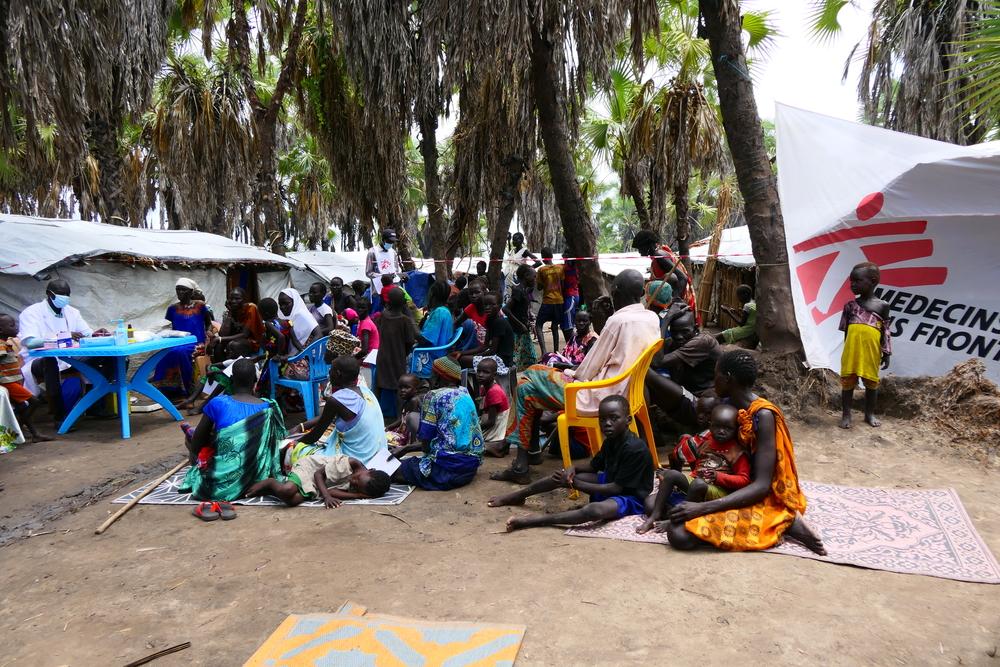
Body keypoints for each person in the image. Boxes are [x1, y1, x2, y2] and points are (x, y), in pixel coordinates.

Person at [492, 269, 660, 484]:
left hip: (598, 395)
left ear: (616, 291)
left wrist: (567, 371)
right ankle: (527, 458)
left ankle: (522, 463)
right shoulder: (650, 317)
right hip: (626, 394)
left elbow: (587, 369)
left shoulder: (619, 321)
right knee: (530, 382)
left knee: (527, 381)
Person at [657, 350, 826, 554]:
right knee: (656, 507)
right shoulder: (726, 406)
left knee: (679, 536)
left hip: (756, 493)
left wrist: (702, 508)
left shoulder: (763, 416)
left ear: (727, 379)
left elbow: (762, 485)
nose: (713, 380)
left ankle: (787, 521)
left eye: (716, 375)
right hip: (725, 483)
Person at [488, 395, 655, 532]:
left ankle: (537, 520)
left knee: (594, 510)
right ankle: (518, 496)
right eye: (603, 419)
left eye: (614, 418)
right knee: (560, 475)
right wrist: (572, 469)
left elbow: (616, 489)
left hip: (631, 497)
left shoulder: (635, 449)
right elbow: (593, 466)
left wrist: (575, 483)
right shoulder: (611, 440)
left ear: (628, 420)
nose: (607, 423)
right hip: (611, 481)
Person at [178, 359, 285, 503]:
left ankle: (197, 467)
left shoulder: (218, 402)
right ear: (255, 380)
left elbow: (197, 443)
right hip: (253, 477)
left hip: (217, 481)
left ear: (232, 379)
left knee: (191, 438)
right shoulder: (268, 407)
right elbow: (278, 441)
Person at [637, 403, 748, 534]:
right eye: (717, 426)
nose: (721, 431)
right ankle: (653, 517)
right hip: (696, 487)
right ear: (710, 424)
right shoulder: (707, 441)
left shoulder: (737, 451)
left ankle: (676, 520)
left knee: (697, 484)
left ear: (736, 429)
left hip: (717, 492)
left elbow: (744, 480)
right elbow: (696, 466)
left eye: (728, 428)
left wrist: (719, 477)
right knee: (666, 481)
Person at [18, 279, 110, 426]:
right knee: (50, 362)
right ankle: (60, 416)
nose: (65, 297)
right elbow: (30, 342)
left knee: (108, 358)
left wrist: (96, 334)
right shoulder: (31, 313)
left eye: (68, 294)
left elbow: (86, 333)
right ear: (49, 294)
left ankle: (95, 405)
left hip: (69, 357)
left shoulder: (72, 312)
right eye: (61, 294)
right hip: (38, 359)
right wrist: (63, 336)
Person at [391, 357, 484, 490]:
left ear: (439, 376)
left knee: (394, 469)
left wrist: (407, 449)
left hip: (447, 469)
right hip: (470, 467)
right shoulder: (465, 393)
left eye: (433, 373)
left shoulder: (433, 396)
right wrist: (407, 448)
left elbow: (426, 445)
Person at [291, 356, 388, 465]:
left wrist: (294, 442)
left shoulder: (336, 400)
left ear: (338, 373)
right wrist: (301, 426)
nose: (329, 373)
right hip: (379, 456)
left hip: (359, 461)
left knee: (294, 451)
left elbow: (314, 436)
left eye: (330, 370)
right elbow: (327, 417)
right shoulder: (366, 391)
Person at [839, 262, 891, 429]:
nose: (852, 284)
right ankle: (846, 414)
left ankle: (869, 414)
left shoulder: (883, 306)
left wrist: (887, 352)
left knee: (871, 383)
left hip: (871, 351)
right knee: (847, 383)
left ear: (873, 281)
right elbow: (847, 331)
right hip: (852, 350)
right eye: (851, 281)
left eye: (857, 280)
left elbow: (885, 330)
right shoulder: (850, 306)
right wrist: (847, 349)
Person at [244, 454, 391, 508]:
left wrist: (358, 496)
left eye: (356, 487)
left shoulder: (360, 487)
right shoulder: (351, 464)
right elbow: (318, 474)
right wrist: (326, 496)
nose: (352, 481)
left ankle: (272, 489)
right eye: (357, 478)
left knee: (292, 501)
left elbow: (333, 491)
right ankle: (270, 482)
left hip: (318, 486)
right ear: (369, 470)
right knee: (286, 491)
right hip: (310, 469)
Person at [153, 278, 214, 396]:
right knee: (165, 353)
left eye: (183, 290)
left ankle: (189, 388)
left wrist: (209, 332)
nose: (180, 292)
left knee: (179, 352)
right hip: (177, 342)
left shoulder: (200, 306)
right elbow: (173, 328)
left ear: (191, 292)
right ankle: (169, 389)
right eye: (178, 289)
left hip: (197, 343)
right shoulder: (172, 309)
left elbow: (208, 323)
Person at [631, 229, 698, 322]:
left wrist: (674, 301)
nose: (639, 252)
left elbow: (682, 277)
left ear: (648, 245)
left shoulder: (660, 256)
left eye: (640, 248)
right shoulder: (656, 257)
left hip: (670, 304)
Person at [0, 314, 47, 442]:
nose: (16, 328)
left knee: (22, 408)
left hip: (13, 381)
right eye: (11, 325)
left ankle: (34, 434)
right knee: (34, 402)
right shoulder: (1, 345)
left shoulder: (6, 344)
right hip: (8, 382)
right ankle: (18, 429)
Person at [375, 287, 419, 418]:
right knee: (399, 386)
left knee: (381, 383)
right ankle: (399, 416)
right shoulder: (404, 320)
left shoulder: (382, 316)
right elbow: (410, 341)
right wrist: (404, 352)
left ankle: (381, 414)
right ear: (403, 303)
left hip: (382, 356)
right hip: (398, 357)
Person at [652, 311, 720, 396]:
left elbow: (657, 363)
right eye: (674, 332)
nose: (679, 336)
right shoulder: (670, 342)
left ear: (695, 329)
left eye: (685, 332)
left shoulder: (702, 342)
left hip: (704, 394)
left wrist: (666, 320)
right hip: (685, 392)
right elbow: (652, 361)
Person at [453, 293, 514, 373]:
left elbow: (492, 350)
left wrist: (474, 356)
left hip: (502, 360)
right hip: (493, 355)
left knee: (461, 360)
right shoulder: (489, 320)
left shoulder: (500, 322)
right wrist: (461, 352)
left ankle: (465, 383)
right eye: (485, 305)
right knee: (460, 356)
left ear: (499, 307)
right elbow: (484, 346)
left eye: (492, 305)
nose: (488, 308)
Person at [412, 280, 454, 378]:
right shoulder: (442, 310)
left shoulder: (440, 312)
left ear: (432, 296)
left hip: (431, 358)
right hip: (436, 355)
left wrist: (410, 320)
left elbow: (425, 340)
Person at [277, 288, 322, 380]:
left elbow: (319, 334)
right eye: (280, 304)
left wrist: (303, 352)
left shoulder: (302, 315)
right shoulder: (289, 318)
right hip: (301, 356)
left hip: (309, 361)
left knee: (276, 371)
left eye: (286, 303)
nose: (282, 307)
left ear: (295, 302)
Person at [210, 287, 265, 360]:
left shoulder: (251, 308)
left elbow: (245, 334)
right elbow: (222, 334)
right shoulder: (231, 311)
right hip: (237, 339)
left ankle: (235, 368)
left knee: (234, 345)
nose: (233, 301)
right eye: (231, 299)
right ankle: (221, 368)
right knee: (218, 346)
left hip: (252, 341)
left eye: (237, 299)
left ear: (244, 299)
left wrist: (220, 339)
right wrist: (230, 312)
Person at [534, 247, 570, 357]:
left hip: (548, 301)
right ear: (552, 256)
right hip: (559, 301)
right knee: (555, 326)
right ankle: (556, 352)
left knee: (538, 325)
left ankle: (544, 351)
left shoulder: (541, 270)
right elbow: (563, 285)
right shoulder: (560, 268)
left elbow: (539, 287)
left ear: (543, 258)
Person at [503, 265, 538, 372]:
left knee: (530, 357)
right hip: (516, 330)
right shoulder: (518, 291)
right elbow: (506, 309)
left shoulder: (524, 290)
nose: (535, 279)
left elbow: (521, 308)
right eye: (534, 276)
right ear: (526, 276)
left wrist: (529, 317)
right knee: (517, 358)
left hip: (522, 330)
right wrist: (520, 324)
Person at [475, 357, 511, 454]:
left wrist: (474, 427)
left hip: (496, 430)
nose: (480, 375)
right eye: (478, 371)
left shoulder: (494, 392)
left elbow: (491, 421)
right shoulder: (484, 387)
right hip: (490, 424)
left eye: (485, 372)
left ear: (494, 375)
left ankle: (496, 445)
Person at [385, 373, 423, 448]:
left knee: (383, 438)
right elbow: (402, 419)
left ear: (416, 389)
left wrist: (411, 446)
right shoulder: (408, 400)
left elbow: (413, 426)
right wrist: (389, 427)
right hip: (404, 432)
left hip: (407, 437)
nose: (402, 390)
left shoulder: (413, 401)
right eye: (400, 387)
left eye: (407, 387)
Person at [366, 228, 406, 293]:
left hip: (393, 289)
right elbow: (368, 273)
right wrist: (382, 276)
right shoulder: (372, 252)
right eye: (389, 242)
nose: (391, 244)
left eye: (392, 242)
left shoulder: (393, 252)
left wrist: (401, 276)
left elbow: (396, 270)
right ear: (383, 240)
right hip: (378, 290)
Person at [503, 232, 540, 296]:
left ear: (521, 240)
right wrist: (508, 241)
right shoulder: (513, 250)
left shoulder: (524, 251)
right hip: (508, 278)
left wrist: (526, 269)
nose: (513, 241)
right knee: (508, 295)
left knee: (517, 294)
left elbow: (538, 262)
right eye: (513, 239)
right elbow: (511, 255)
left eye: (515, 239)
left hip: (517, 277)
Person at [453, 278, 489, 345]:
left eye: (477, 292)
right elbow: (456, 323)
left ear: (484, 292)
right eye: (471, 293)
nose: (474, 296)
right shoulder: (471, 307)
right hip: (477, 346)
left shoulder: (491, 309)